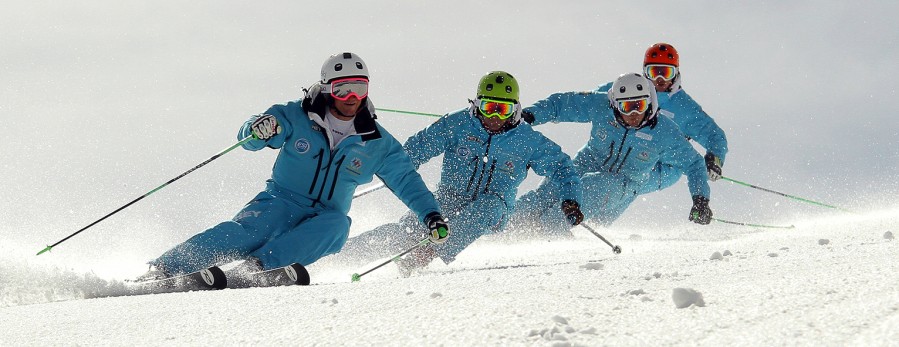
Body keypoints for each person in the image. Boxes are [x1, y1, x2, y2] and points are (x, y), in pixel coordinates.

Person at [140, 52, 449, 279]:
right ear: (328, 89)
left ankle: (257, 269)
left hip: (324, 216)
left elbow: (407, 180)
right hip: (280, 201)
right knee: (248, 231)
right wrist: (257, 128)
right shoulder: (296, 116)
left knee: (339, 226)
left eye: (359, 88)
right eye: (342, 89)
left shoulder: (377, 142)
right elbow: (250, 137)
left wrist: (432, 215)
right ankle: (166, 268)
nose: (351, 97)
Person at [339, 71, 584, 274]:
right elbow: (420, 145)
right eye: (489, 107)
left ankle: (430, 252)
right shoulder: (458, 124)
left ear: (516, 109)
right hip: (449, 197)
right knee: (405, 231)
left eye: (503, 109)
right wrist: (398, 169)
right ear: (477, 105)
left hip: (495, 209)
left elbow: (562, 167)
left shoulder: (528, 140)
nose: (495, 117)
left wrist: (571, 198)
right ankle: (336, 257)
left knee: (488, 205)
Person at [510, 73, 713, 236]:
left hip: (624, 182)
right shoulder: (601, 106)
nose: (633, 114)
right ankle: (506, 225)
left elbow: (694, 164)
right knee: (551, 190)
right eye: (626, 106)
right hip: (588, 161)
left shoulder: (665, 132)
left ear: (650, 103)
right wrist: (530, 115)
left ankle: (548, 232)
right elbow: (562, 104)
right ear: (615, 104)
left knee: (594, 187)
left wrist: (701, 200)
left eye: (639, 106)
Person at [597, 43, 728, 194]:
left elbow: (714, 135)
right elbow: (592, 99)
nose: (659, 79)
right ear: (645, 73)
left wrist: (715, 158)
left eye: (665, 72)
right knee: (600, 177)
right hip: (625, 152)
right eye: (654, 72)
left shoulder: (684, 108)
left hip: (663, 166)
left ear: (675, 73)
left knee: (621, 186)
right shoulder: (629, 89)